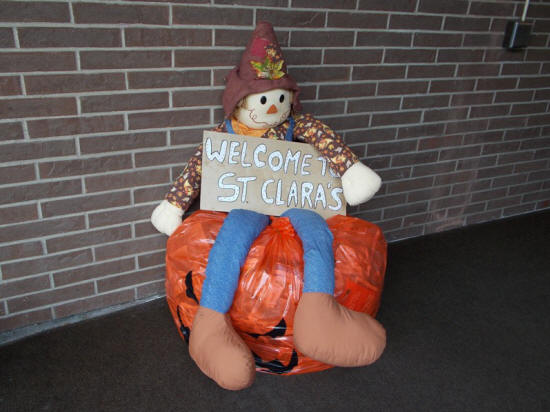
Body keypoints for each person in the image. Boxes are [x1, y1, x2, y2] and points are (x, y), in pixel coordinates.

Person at [151, 22, 386, 390]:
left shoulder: (298, 125)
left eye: (280, 98)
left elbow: (326, 141)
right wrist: (174, 204)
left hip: (295, 204)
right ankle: (210, 324)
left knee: (316, 232)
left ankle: (319, 316)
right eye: (263, 100)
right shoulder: (226, 134)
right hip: (246, 206)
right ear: (240, 101)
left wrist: (351, 172)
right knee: (233, 235)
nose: (273, 107)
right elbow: (198, 166)